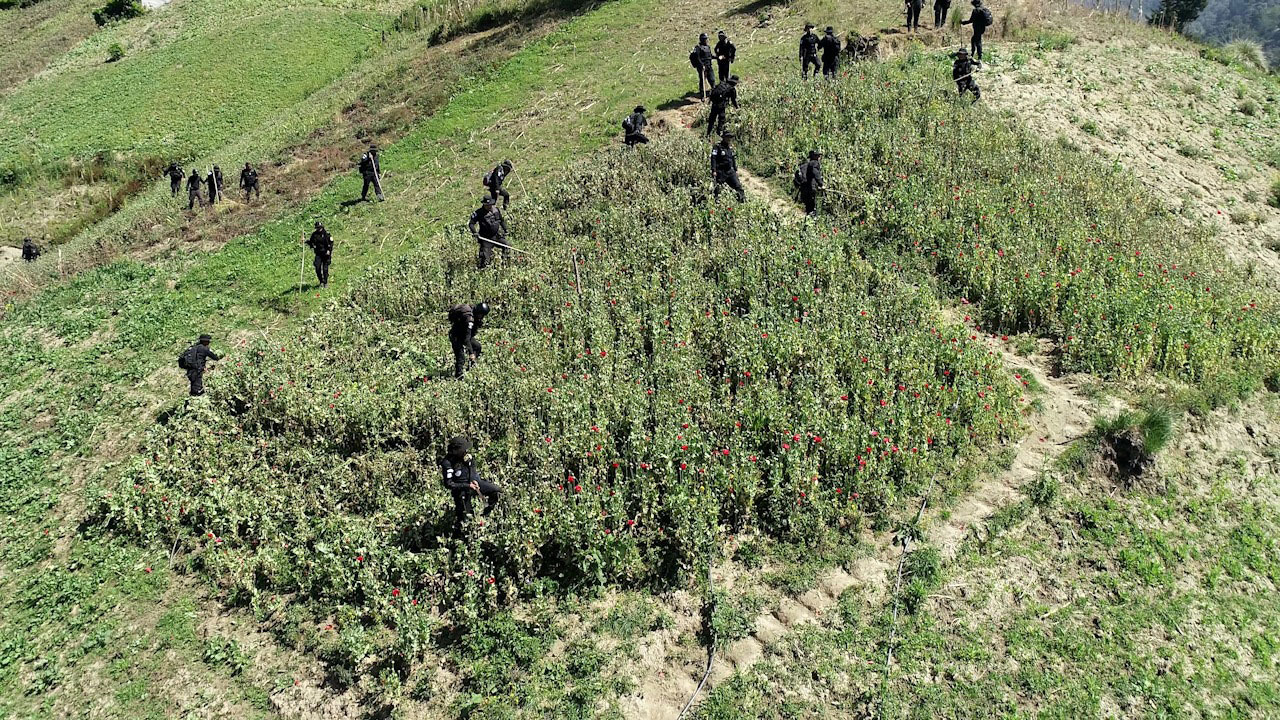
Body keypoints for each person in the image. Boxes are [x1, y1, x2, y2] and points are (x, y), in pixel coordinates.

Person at [439, 436, 501, 536]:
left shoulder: (467, 457)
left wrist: (474, 480)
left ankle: (485, 516)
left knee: (496, 491)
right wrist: (467, 485)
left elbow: (472, 469)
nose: (465, 451)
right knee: (466, 518)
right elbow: (449, 484)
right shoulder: (447, 463)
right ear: (455, 450)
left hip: (475, 483)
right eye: (462, 449)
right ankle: (459, 536)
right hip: (461, 490)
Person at [448, 302, 490, 378]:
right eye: (482, 315)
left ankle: (470, 368)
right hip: (456, 336)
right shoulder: (469, 319)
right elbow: (467, 339)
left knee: (477, 347)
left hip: (463, 334)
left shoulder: (474, 314)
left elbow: (468, 336)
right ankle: (459, 376)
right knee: (461, 358)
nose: (482, 317)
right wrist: (471, 353)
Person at [468, 197, 509, 269]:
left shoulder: (496, 210)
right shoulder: (478, 213)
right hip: (486, 239)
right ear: (484, 204)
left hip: (496, 236)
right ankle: (483, 270)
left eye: (490, 205)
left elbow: (501, 221)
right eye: (487, 205)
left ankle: (504, 265)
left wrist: (505, 229)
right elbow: (471, 224)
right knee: (485, 260)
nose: (489, 206)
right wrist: (475, 233)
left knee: (507, 245)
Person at [711, 132, 745, 203]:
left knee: (738, 186)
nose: (729, 139)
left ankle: (742, 201)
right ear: (723, 138)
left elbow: (733, 159)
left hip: (730, 171)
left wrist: (735, 169)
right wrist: (714, 170)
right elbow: (713, 158)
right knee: (718, 188)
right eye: (727, 137)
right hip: (720, 172)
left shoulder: (730, 148)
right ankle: (716, 203)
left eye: (730, 137)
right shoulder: (717, 147)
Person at [794, 150, 824, 216]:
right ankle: (812, 219)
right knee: (812, 208)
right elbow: (816, 173)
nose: (819, 157)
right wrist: (821, 184)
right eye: (817, 155)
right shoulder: (814, 163)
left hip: (803, 188)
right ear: (814, 156)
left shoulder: (804, 166)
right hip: (811, 187)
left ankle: (808, 219)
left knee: (808, 207)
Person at [305, 221, 334, 287]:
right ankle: (321, 280)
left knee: (325, 269)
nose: (319, 229)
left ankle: (325, 282)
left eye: (320, 227)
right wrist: (306, 241)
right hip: (318, 254)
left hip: (326, 254)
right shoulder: (314, 235)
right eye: (318, 228)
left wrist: (329, 250)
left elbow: (331, 243)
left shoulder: (326, 234)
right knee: (317, 267)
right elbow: (311, 242)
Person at [690, 33, 716, 100]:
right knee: (702, 81)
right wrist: (701, 65)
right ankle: (702, 95)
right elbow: (697, 57)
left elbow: (710, 56)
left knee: (712, 79)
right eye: (705, 39)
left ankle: (714, 92)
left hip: (709, 66)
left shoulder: (708, 47)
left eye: (707, 39)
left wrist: (717, 57)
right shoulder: (698, 48)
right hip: (702, 67)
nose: (707, 40)